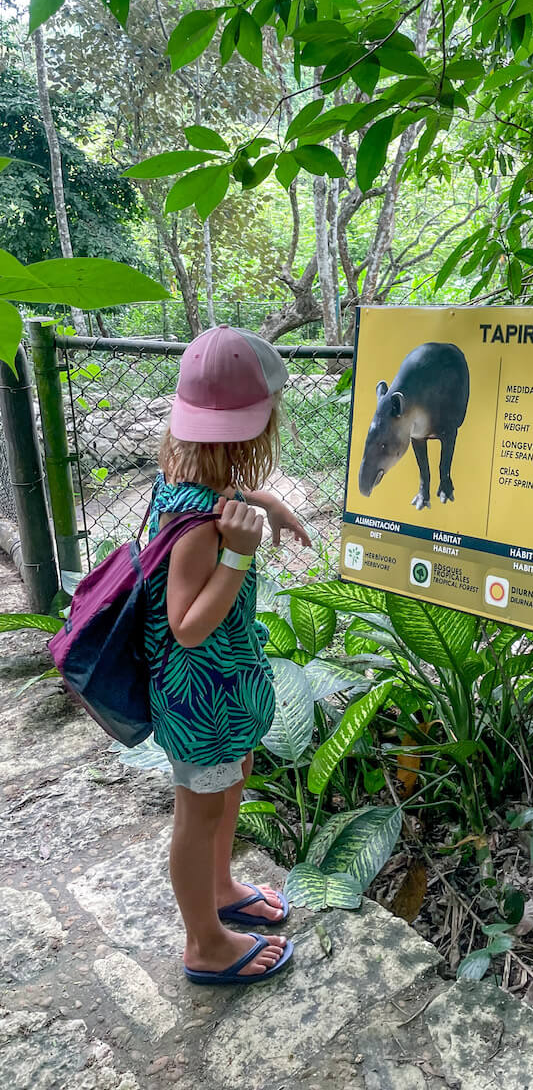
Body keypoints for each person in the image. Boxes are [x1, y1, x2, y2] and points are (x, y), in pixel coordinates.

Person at [146, 324, 310, 985]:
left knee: (228, 788)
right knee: (199, 810)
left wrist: (264, 503)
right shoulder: (198, 528)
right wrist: (239, 555)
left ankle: (220, 889)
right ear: (253, 431)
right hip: (200, 700)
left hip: (223, 696)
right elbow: (186, 626)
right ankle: (204, 943)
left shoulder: (189, 480)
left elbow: (221, 496)